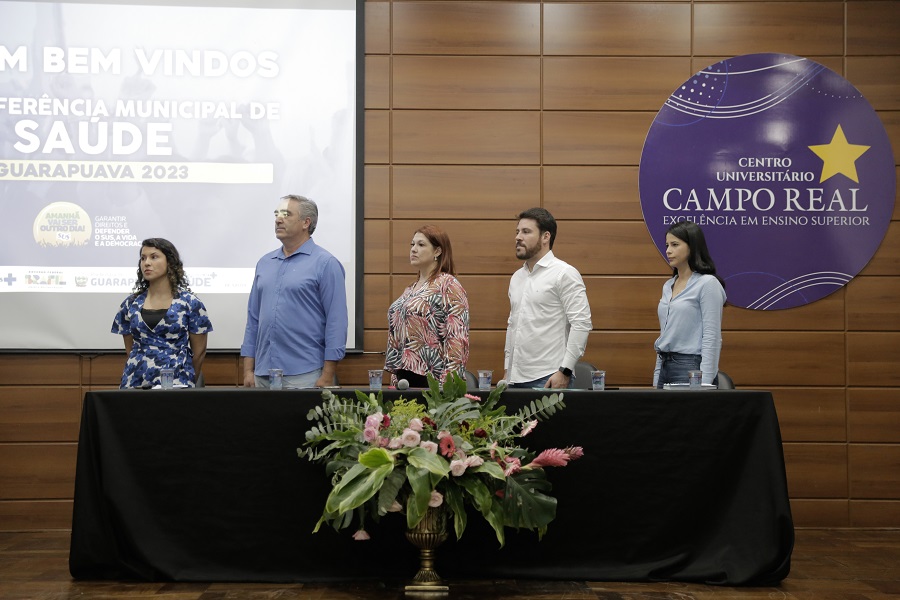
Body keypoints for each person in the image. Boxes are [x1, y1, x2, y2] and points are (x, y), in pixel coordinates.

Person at [241, 195, 348, 389]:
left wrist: (327, 375)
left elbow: (336, 322)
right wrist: (248, 370)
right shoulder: (264, 263)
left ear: (306, 222)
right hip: (262, 374)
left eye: (286, 214)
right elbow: (253, 318)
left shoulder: (326, 264)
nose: (278, 220)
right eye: (277, 214)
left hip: (306, 374)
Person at [504, 208, 592, 389]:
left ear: (545, 237)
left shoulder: (564, 273)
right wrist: (507, 369)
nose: (518, 237)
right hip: (514, 379)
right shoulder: (516, 278)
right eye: (517, 232)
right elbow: (513, 325)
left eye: (526, 232)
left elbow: (581, 324)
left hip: (549, 377)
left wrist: (565, 371)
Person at [111, 238, 212, 388]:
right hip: (135, 382)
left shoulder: (190, 304)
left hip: (176, 383)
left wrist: (185, 379)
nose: (146, 263)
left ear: (170, 262)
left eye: (154, 257)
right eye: (143, 258)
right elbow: (130, 349)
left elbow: (199, 353)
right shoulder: (130, 304)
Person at [385, 225, 469, 387]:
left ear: (437, 251)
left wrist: (447, 387)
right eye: (412, 244)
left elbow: (457, 340)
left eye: (421, 244)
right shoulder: (410, 289)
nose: (413, 249)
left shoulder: (448, 285)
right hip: (404, 380)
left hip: (433, 381)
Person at [653, 221, 727, 388]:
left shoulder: (707, 283)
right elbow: (665, 335)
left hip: (691, 367)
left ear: (692, 246)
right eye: (667, 245)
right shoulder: (668, 286)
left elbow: (712, 337)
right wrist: (657, 375)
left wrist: (705, 383)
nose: (668, 250)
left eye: (675, 244)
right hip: (665, 364)